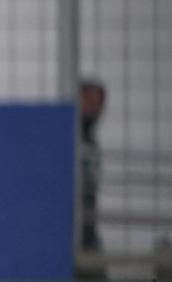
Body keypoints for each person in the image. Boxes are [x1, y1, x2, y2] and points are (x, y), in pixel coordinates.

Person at [77, 80, 107, 281]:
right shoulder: (71, 138)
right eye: (88, 100)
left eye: (99, 102)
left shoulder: (90, 142)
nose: (95, 107)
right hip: (73, 227)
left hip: (87, 226)